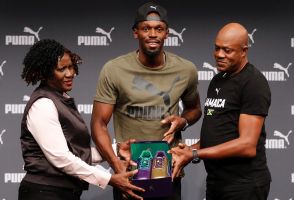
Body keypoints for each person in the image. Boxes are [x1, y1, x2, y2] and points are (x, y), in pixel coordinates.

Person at [91, 2, 201, 200]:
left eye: (159, 29)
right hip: (130, 173)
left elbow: (194, 109)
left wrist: (182, 122)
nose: (152, 34)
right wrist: (117, 167)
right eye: (146, 28)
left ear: (167, 33)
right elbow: (98, 124)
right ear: (136, 32)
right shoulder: (114, 69)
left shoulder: (186, 70)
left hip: (169, 171)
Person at [19, 39, 144, 200]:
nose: (70, 73)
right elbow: (61, 158)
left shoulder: (60, 99)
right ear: (46, 72)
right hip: (44, 193)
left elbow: (77, 154)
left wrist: (117, 150)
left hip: (62, 193)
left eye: (71, 66)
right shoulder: (43, 104)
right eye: (61, 69)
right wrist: (109, 179)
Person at [170, 22, 272, 200]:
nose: (219, 55)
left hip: (244, 185)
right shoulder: (218, 80)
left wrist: (194, 154)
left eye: (227, 50)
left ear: (244, 51)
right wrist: (188, 149)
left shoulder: (253, 83)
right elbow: (218, 134)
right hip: (216, 182)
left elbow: (247, 145)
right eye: (216, 48)